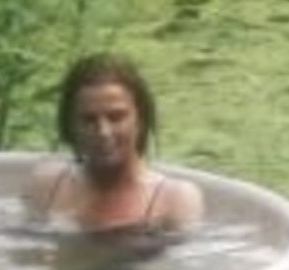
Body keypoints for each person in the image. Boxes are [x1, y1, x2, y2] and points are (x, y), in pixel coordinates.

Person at [22, 52, 204, 234]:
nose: (103, 132)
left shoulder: (173, 200)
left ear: (140, 119)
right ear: (71, 125)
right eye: (89, 120)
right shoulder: (47, 187)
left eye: (116, 117)